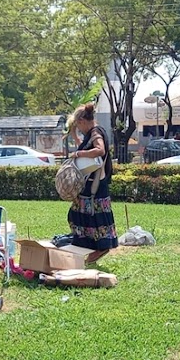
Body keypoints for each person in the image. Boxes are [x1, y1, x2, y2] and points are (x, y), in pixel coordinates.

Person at [66, 103, 118, 263]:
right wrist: (75, 136)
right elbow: (87, 148)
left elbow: (100, 150)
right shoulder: (93, 132)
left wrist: (78, 153)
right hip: (91, 183)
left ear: (83, 121)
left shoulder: (95, 132)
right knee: (79, 215)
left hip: (95, 184)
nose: (79, 128)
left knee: (91, 217)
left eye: (78, 125)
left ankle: (102, 247)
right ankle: (92, 248)